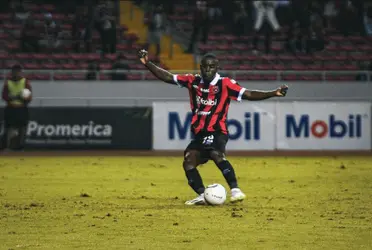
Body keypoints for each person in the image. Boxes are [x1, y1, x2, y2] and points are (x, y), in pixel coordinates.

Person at [138, 49, 288, 205]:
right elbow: (168, 77)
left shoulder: (226, 84)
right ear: (200, 67)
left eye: (211, 67)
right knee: (188, 161)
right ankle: (203, 195)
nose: (208, 70)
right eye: (205, 67)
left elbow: (248, 94)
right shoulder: (192, 81)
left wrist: (273, 93)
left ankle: (235, 190)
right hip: (199, 133)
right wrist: (148, 63)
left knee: (216, 154)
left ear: (217, 68)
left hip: (217, 131)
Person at [1, 64, 32, 151]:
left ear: (21, 72)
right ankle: (6, 146)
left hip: (22, 108)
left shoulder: (25, 82)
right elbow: (4, 96)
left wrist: (23, 98)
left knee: (22, 128)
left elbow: (29, 97)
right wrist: (11, 98)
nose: (16, 73)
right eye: (14, 71)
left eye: (18, 71)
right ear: (12, 72)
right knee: (8, 128)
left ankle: (20, 147)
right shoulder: (8, 82)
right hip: (11, 108)